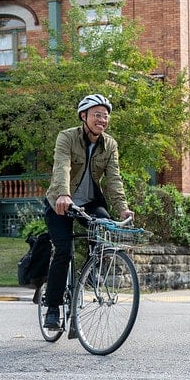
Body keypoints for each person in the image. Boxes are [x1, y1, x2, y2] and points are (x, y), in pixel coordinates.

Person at [42, 94, 135, 329]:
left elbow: (114, 179)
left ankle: (92, 272)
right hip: (61, 203)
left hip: (91, 202)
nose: (102, 120)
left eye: (105, 116)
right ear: (84, 116)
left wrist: (122, 208)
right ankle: (52, 308)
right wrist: (63, 194)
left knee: (104, 227)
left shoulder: (110, 144)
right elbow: (61, 166)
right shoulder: (67, 137)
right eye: (97, 115)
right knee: (63, 250)